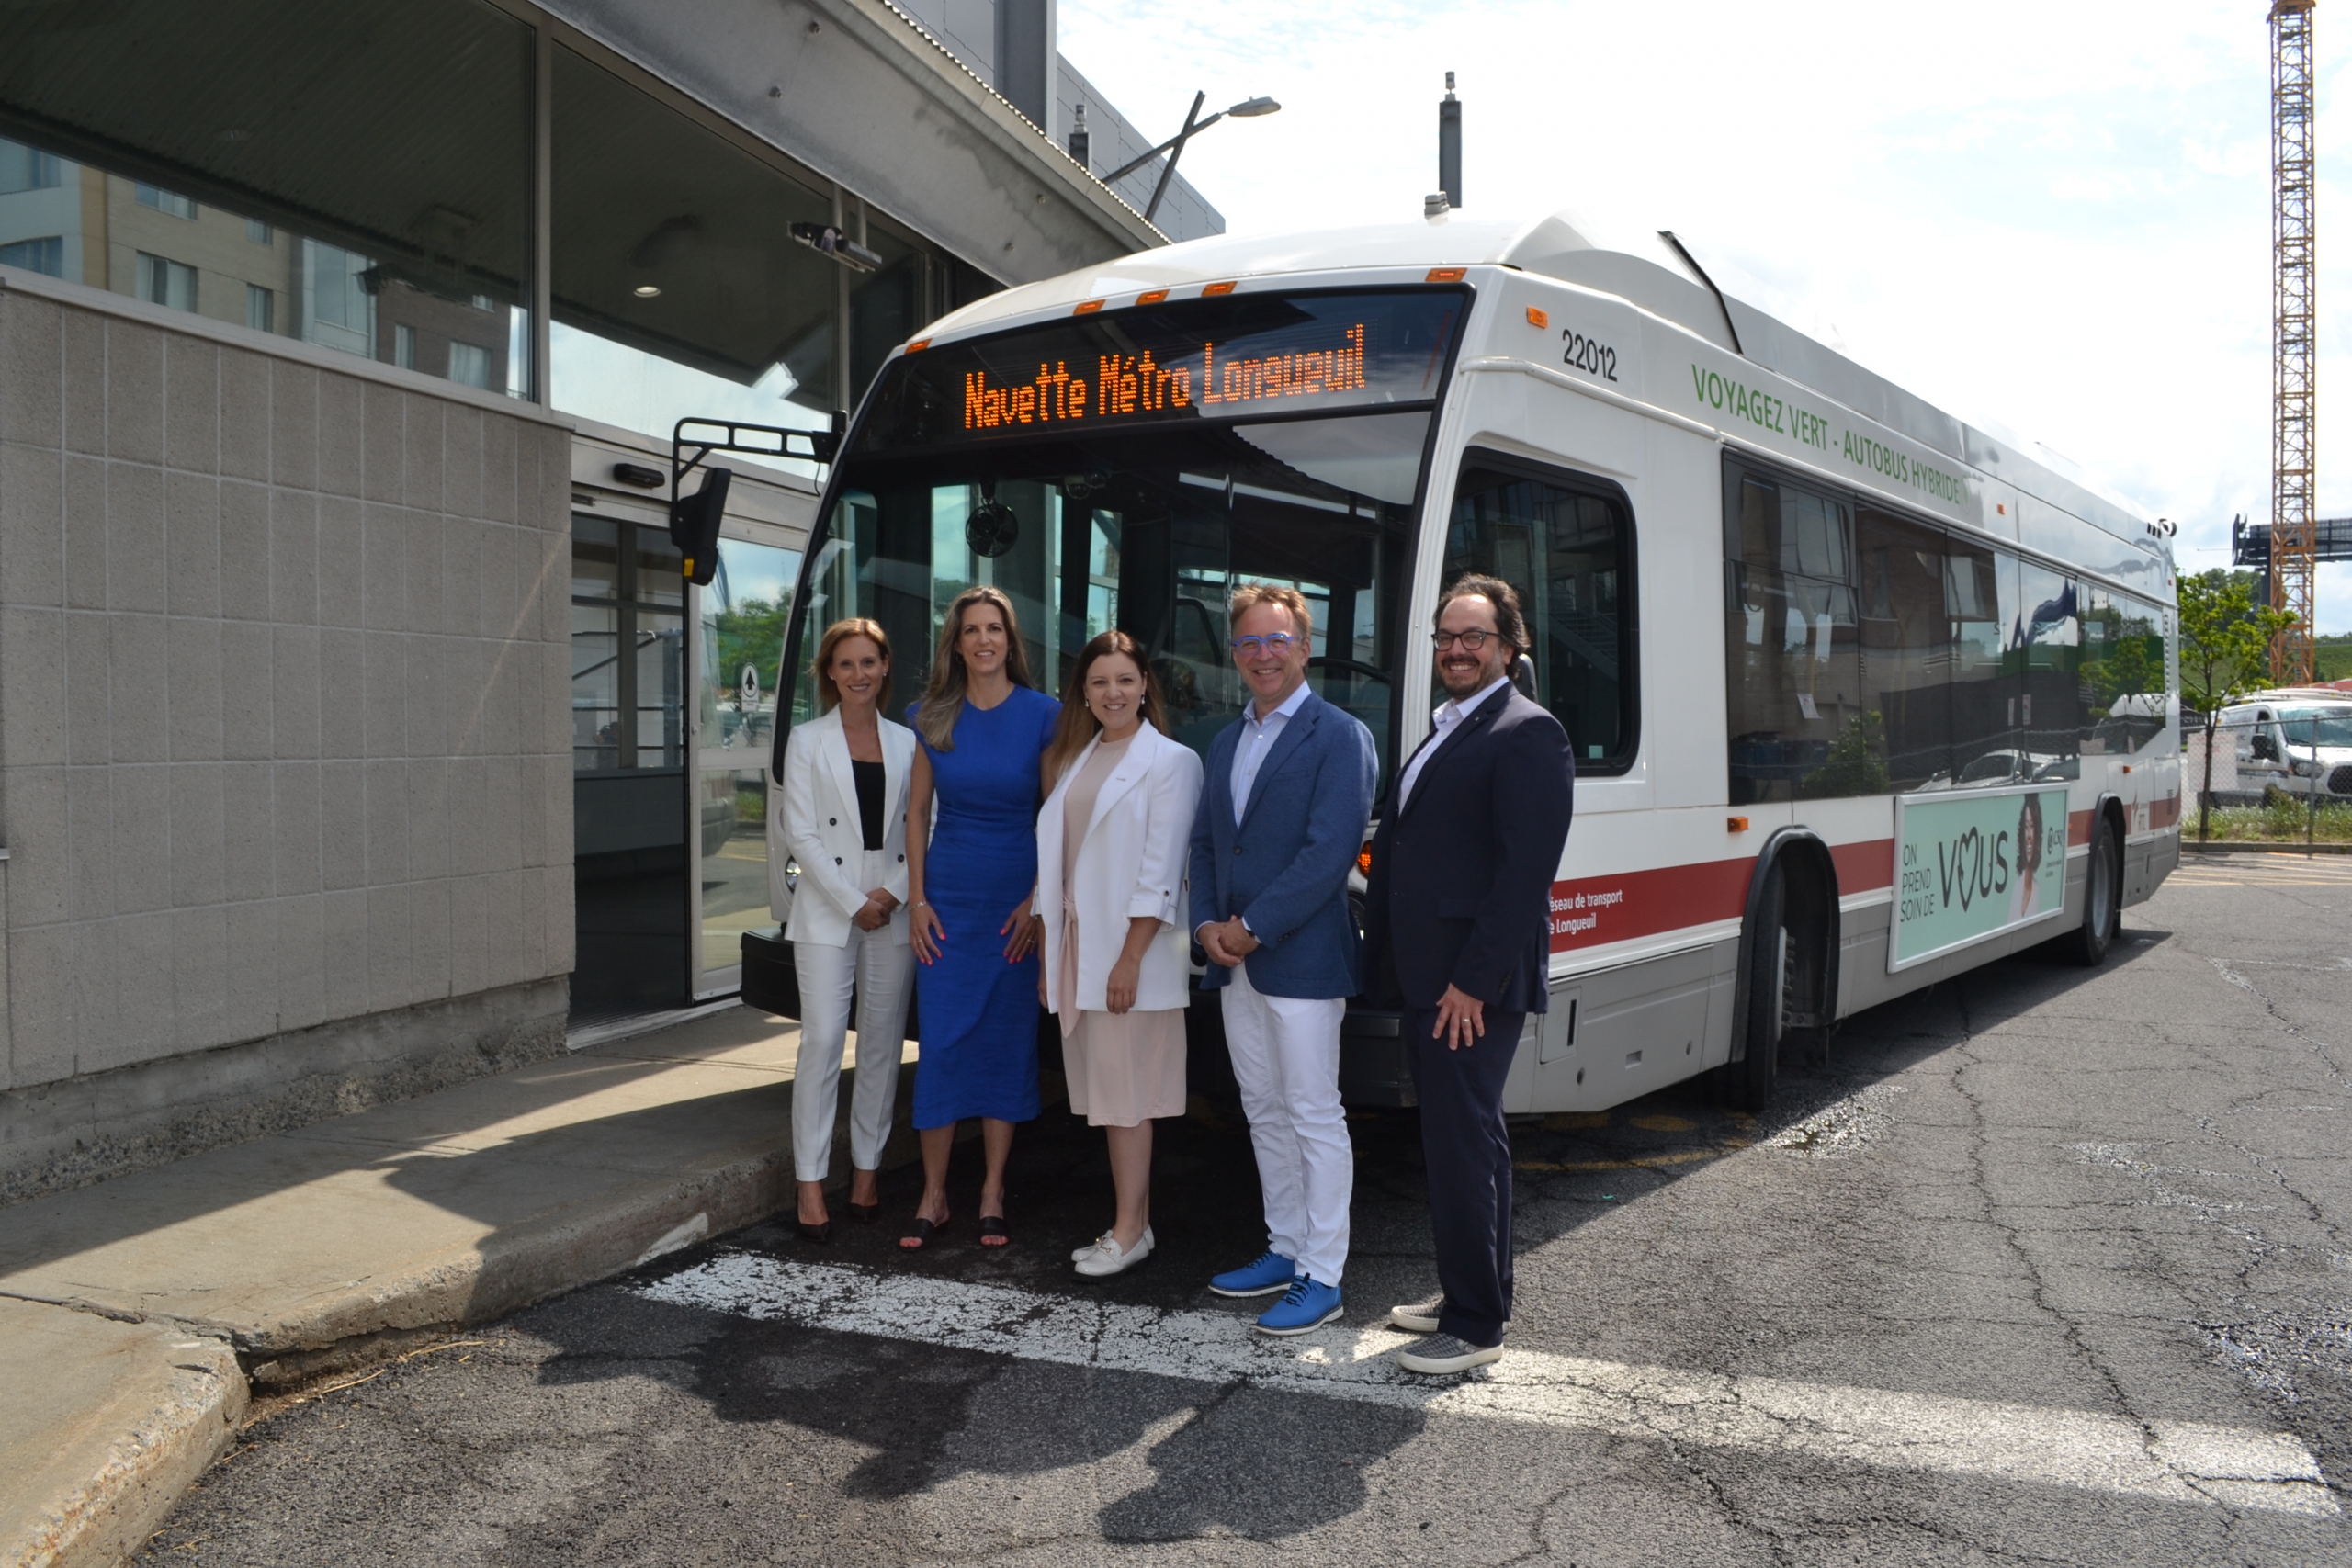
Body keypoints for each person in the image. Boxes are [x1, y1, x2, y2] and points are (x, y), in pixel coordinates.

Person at [1365, 573, 1574, 1374]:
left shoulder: (1528, 732)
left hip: (1470, 988)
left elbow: (1525, 875)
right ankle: (1472, 1292)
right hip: (1435, 977)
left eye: (1473, 637)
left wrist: (1474, 982)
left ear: (1509, 646)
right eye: (1446, 637)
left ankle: (1476, 1325)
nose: (1456, 649)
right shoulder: (1450, 724)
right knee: (1470, 1141)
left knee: (1461, 1147)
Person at [1187, 584, 1377, 1335]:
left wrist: (1252, 928)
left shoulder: (1340, 736)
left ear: (1304, 645)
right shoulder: (1227, 741)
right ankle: (1286, 1246)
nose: (1262, 654)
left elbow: (1329, 853)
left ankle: (1323, 1274)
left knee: (1312, 1112)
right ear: (1234, 653)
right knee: (1263, 1106)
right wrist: (1207, 923)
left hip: (1300, 960)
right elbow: (1207, 843)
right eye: (1248, 642)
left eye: (1276, 640)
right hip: (1235, 961)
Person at [1035, 632, 1204, 1278]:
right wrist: (1050, 955)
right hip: (1082, 951)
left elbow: (1161, 871)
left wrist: (1130, 958)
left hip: (1131, 956)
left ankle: (1130, 1232)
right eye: (1100, 681)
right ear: (1083, 691)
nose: (1114, 692)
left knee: (1127, 1100)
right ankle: (1131, 1225)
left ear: (1144, 687)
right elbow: (1057, 863)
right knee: (1110, 1098)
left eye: (1126, 679)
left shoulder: (1172, 761)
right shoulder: (1075, 758)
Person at [902, 586, 1059, 1249]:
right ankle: (934, 1195)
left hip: (1014, 905)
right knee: (940, 1043)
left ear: (1009, 640)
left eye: (994, 628)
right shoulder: (930, 715)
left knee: (1005, 1041)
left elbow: (1054, 815)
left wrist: (1039, 900)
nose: (984, 639)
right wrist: (916, 899)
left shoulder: (1044, 714)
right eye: (972, 630)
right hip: (947, 904)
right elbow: (916, 813)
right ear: (957, 643)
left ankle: (993, 1191)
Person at [775, 618, 916, 1241]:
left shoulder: (909, 743)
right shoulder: (807, 740)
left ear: (885, 668)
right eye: (846, 663)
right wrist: (855, 900)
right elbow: (800, 832)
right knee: (824, 1039)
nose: (859, 674)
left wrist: (893, 892)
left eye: (869, 662)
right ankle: (809, 1181)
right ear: (829, 673)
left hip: (892, 902)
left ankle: (866, 1171)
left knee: (882, 1043)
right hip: (829, 905)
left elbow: (926, 824)